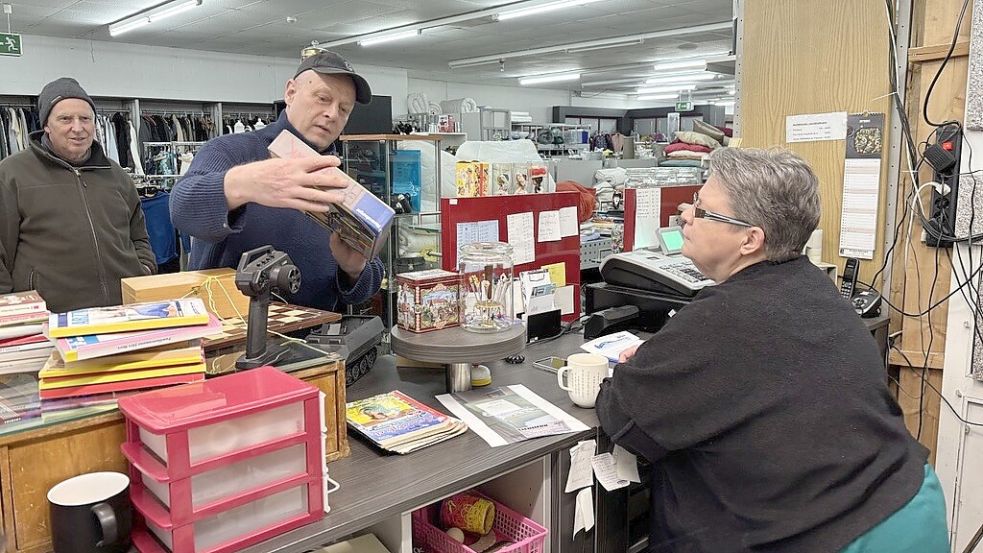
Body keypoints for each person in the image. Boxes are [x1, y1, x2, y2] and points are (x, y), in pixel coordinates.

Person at [596, 148, 949, 553]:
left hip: (840, 535)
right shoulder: (811, 285)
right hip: (907, 503)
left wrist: (641, 368)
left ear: (750, 239)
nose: (686, 214)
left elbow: (625, 413)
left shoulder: (724, 314)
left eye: (703, 209)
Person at [169, 51, 383, 311]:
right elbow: (181, 208)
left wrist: (354, 269)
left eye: (344, 109)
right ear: (291, 93)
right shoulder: (231, 151)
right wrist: (244, 183)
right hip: (233, 339)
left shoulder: (339, 180)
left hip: (317, 341)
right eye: (323, 99)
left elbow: (367, 282)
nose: (332, 114)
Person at [0, 77, 156, 313]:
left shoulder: (116, 175)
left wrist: (144, 268)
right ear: (46, 125)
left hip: (123, 313)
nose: (77, 127)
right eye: (65, 119)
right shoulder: (12, 174)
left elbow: (139, 236)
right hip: (49, 318)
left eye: (85, 118)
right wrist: (11, 311)